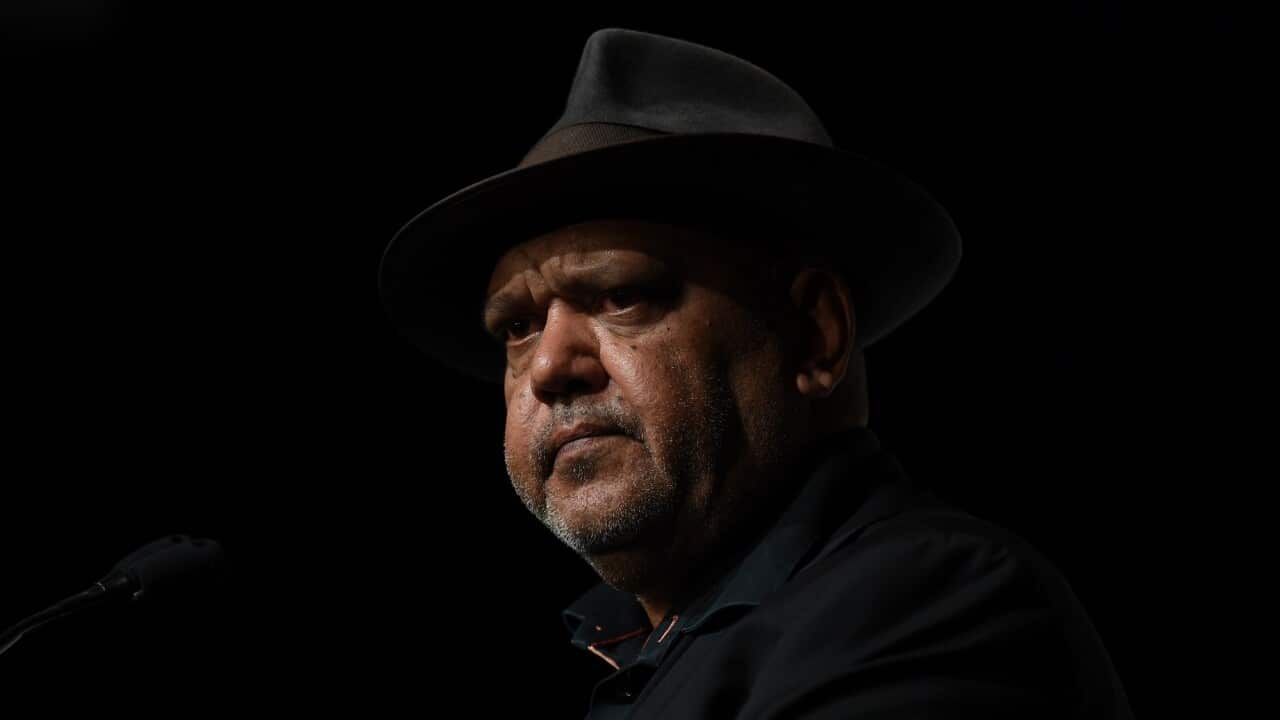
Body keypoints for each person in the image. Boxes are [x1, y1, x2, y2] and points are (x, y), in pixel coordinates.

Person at [377, 27, 1134, 719]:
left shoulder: (931, 605)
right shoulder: (660, 640)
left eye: (621, 295)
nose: (548, 366)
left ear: (815, 335)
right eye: (517, 328)